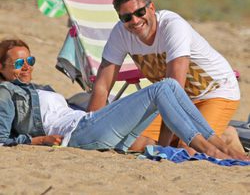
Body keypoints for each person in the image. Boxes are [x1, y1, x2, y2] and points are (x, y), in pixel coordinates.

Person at [0, 39, 248, 161]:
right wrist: (39, 140)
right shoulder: (6, 93)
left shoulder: (36, 88)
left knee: (170, 86)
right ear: (1, 68)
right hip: (80, 132)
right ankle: (210, 148)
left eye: (29, 61)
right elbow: (2, 139)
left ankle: (214, 142)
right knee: (161, 89)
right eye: (18, 63)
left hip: (88, 124)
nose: (26, 68)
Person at [87, 0, 243, 153]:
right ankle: (220, 135)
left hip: (214, 92)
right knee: (132, 142)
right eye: (127, 17)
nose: (135, 20)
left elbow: (175, 92)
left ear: (151, 8)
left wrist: (163, 149)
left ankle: (223, 135)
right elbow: (102, 85)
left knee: (189, 148)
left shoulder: (173, 26)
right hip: (173, 99)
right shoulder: (121, 33)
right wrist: (90, 129)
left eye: (140, 12)